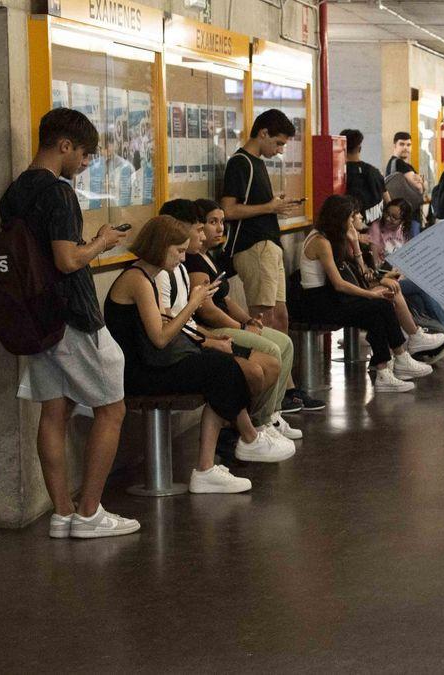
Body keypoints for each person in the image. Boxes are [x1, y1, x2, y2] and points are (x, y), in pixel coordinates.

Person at [2, 107, 137, 538]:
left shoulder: (15, 193)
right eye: (83, 153)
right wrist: (101, 241)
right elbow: (65, 259)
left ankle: (62, 513)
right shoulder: (59, 194)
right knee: (112, 408)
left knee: (54, 410)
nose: (86, 163)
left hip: (35, 316)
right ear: (64, 145)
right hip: (73, 316)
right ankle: (90, 512)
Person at [105, 216, 289, 494]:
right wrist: (193, 303)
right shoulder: (138, 280)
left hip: (151, 361)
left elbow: (164, 323)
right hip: (138, 371)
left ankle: (219, 459)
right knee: (222, 369)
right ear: (160, 247)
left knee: (222, 366)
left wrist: (207, 338)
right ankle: (242, 442)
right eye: (178, 251)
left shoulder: (148, 277)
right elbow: (160, 337)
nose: (182, 258)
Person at [220, 109, 323, 414]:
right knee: (263, 319)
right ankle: (271, 394)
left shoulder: (258, 165)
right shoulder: (240, 163)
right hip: (255, 247)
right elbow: (229, 210)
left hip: (269, 244)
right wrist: (269, 206)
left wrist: (273, 208)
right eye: (278, 143)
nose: (279, 151)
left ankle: (287, 388)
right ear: (262, 132)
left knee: (281, 318)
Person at [291, 195, 437, 392]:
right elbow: (339, 284)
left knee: (375, 315)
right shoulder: (321, 241)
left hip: (329, 297)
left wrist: (355, 245)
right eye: (351, 217)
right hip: (317, 302)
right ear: (339, 218)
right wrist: (370, 295)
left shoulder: (333, 239)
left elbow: (361, 273)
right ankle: (401, 357)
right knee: (381, 304)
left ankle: (384, 372)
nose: (353, 222)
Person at [189, 199, 302, 442]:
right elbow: (207, 309)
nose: (219, 228)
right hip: (212, 329)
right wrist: (240, 327)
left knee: (285, 343)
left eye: (221, 222)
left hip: (226, 323)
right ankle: (259, 421)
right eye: (210, 223)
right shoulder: (193, 263)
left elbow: (226, 298)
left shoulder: (209, 256)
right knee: (271, 349)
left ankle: (273, 413)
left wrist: (249, 319)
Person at [368, 199, 444, 344]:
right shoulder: (376, 227)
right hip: (385, 279)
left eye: (394, 217)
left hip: (402, 277)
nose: (388, 219)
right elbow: (375, 265)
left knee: (417, 297)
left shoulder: (405, 230)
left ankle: (434, 336)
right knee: (421, 286)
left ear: (403, 220)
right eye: (387, 214)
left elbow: (410, 258)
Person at [340, 128, 387, 224]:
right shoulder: (375, 172)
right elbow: (388, 200)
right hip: (377, 230)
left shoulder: (341, 174)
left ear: (342, 147)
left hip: (354, 231)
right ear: (359, 148)